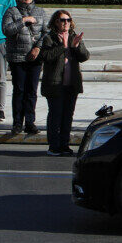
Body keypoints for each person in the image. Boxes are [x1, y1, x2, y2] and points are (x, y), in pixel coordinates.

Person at [0, 0, 47, 139]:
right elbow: (6, 30)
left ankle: (30, 123)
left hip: (35, 58)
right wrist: (23, 21)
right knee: (19, 90)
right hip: (17, 57)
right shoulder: (11, 12)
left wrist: (38, 48)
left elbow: (46, 33)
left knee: (31, 91)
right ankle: (17, 123)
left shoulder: (40, 12)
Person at [38, 10, 89, 155]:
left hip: (71, 84)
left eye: (68, 20)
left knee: (67, 116)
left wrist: (76, 46)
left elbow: (85, 56)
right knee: (55, 115)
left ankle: (64, 144)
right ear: (56, 22)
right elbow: (46, 56)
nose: (65, 23)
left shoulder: (74, 36)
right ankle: (54, 146)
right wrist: (63, 47)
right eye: (62, 20)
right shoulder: (50, 38)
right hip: (55, 84)